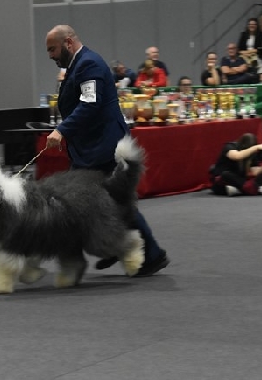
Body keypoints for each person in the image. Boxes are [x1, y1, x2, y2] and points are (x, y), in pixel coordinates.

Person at [44, 24, 169, 276]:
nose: (50, 55)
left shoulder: (88, 64)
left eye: (52, 49)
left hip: (103, 148)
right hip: (89, 149)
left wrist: (62, 130)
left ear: (68, 43)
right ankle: (112, 245)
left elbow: (90, 104)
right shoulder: (77, 66)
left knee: (116, 201)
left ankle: (152, 255)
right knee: (93, 202)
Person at [209, 133, 262, 197]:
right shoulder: (229, 147)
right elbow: (237, 156)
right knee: (226, 175)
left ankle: (238, 190)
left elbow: (254, 172)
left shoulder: (252, 153)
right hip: (224, 181)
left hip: (239, 181)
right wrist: (255, 148)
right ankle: (259, 190)